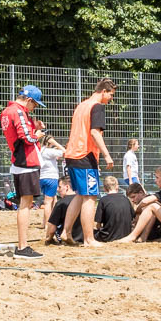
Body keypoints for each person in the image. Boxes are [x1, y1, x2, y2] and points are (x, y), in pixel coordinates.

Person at [63, 79, 117, 248]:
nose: (111, 99)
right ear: (103, 91)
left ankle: (66, 232)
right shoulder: (97, 106)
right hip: (84, 155)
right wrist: (107, 155)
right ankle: (89, 239)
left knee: (80, 194)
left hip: (72, 154)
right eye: (111, 95)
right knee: (90, 196)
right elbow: (94, 132)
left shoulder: (81, 105)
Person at [0, 86, 44, 258]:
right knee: (26, 204)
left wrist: (33, 126)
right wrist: (38, 134)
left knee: (25, 203)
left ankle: (23, 245)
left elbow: (20, 134)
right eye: (35, 104)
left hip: (19, 161)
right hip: (26, 162)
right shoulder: (18, 111)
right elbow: (27, 138)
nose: (34, 108)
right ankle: (23, 246)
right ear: (29, 100)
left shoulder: (7, 111)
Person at [116, 166, 161, 243]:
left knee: (151, 206)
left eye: (157, 177)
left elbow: (145, 201)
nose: (155, 180)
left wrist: (136, 211)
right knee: (152, 206)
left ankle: (133, 236)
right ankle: (142, 238)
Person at [37, 133, 65, 239]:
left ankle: (44, 223)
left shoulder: (41, 150)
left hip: (42, 177)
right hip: (51, 177)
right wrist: (56, 143)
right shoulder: (50, 151)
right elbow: (65, 152)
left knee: (51, 199)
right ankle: (48, 224)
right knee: (48, 202)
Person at [92, 174, 135, 242]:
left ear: (104, 188)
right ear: (117, 186)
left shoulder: (103, 200)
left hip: (108, 237)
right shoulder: (126, 199)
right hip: (126, 235)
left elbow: (98, 225)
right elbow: (133, 218)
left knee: (90, 232)